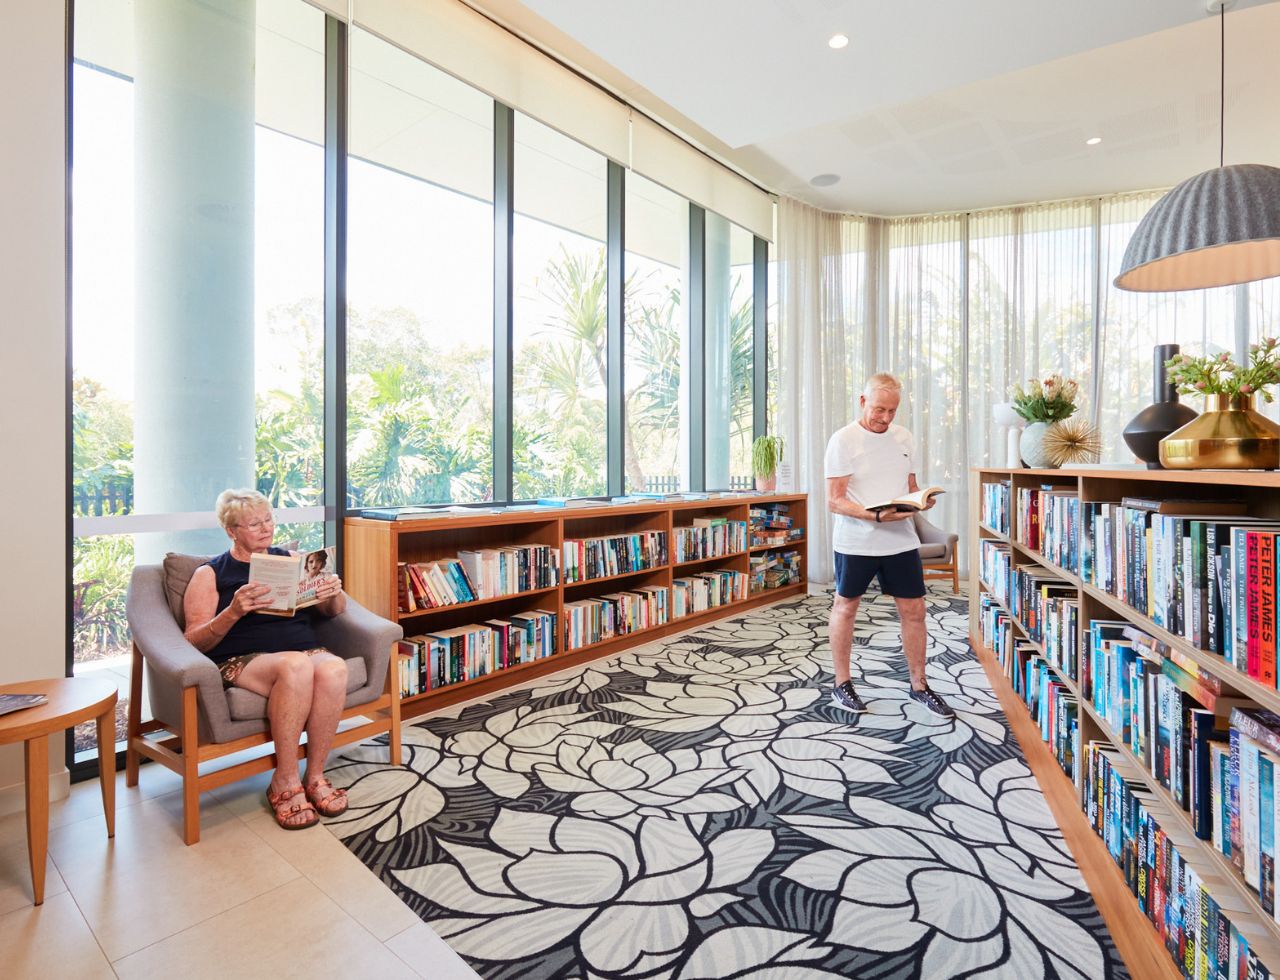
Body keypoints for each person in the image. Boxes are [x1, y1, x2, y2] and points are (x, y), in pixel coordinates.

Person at [183, 489, 351, 830]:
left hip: (303, 649)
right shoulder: (211, 573)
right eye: (254, 524)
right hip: (243, 657)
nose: (266, 528)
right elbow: (193, 639)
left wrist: (332, 593)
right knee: (295, 666)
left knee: (334, 668)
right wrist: (233, 611)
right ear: (231, 531)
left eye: (269, 520)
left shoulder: (294, 560)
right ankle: (284, 780)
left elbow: (334, 611)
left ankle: (315, 776)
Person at [824, 373, 954, 719]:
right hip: (856, 541)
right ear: (862, 401)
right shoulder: (843, 440)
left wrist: (921, 500)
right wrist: (875, 516)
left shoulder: (904, 437)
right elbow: (834, 500)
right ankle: (841, 683)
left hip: (900, 540)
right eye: (879, 409)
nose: (885, 417)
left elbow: (910, 486)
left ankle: (919, 685)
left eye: (892, 411)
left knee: (915, 611)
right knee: (846, 608)